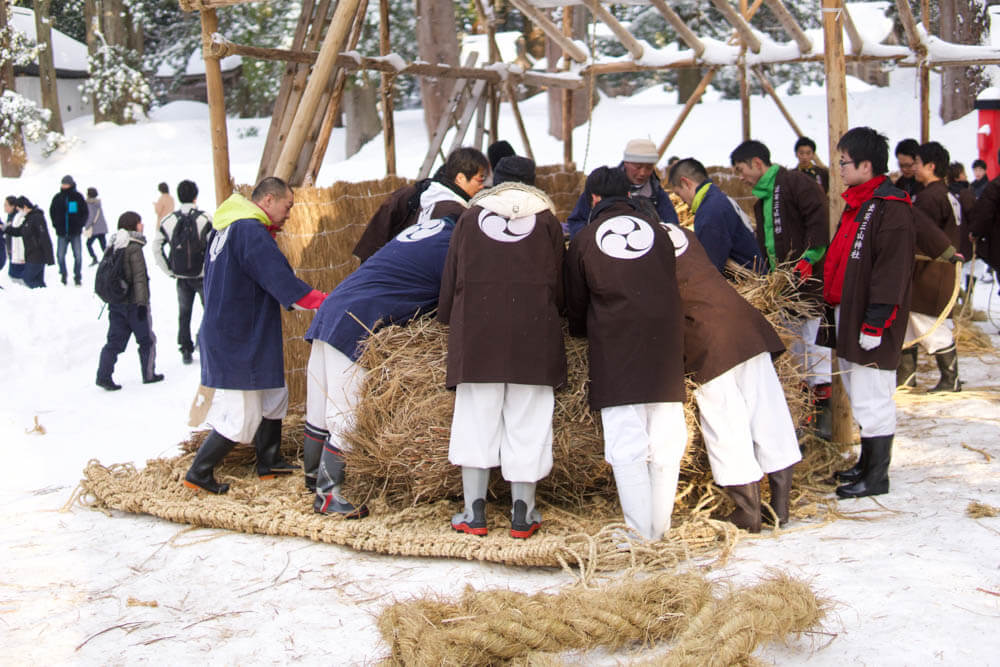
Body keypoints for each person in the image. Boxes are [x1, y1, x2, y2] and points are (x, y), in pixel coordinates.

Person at [303, 147, 489, 517]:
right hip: (357, 320)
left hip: (333, 309)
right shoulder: (455, 245)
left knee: (320, 405)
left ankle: (311, 477)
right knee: (346, 411)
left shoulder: (424, 230)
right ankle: (327, 493)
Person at [440, 155, 565, 540]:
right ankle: (522, 514)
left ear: (495, 180)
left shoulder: (470, 217)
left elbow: (452, 274)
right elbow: (560, 281)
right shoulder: (546, 220)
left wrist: (448, 318)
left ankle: (474, 512)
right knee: (528, 423)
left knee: (476, 420)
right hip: (534, 336)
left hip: (479, 337)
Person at [564, 166, 687, 542]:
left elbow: (575, 302)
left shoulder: (584, 239)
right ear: (630, 195)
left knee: (626, 440)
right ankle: (661, 528)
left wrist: (582, 332)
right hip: (665, 343)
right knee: (665, 438)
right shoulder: (660, 234)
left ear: (594, 199)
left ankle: (639, 532)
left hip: (617, 344)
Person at [183, 177, 327, 495]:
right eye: (287, 206)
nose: (289, 214)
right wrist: (320, 301)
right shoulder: (249, 230)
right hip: (238, 335)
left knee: (274, 394)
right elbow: (278, 277)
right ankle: (199, 472)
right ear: (269, 201)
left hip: (235, 326)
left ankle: (269, 460)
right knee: (242, 415)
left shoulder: (228, 228)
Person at [661, 221, 799, 532]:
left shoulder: (643, 242)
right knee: (769, 412)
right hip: (744, 324)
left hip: (705, 337)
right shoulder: (683, 232)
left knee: (725, 422)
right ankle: (780, 506)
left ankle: (747, 512)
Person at [825, 127, 916, 499]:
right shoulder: (860, 203)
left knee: (873, 392)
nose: (840, 169)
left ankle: (877, 476)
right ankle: (866, 463)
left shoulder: (891, 207)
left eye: (844, 162)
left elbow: (891, 269)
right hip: (848, 312)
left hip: (871, 318)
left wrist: (876, 321)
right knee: (856, 387)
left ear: (865, 164)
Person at [730, 139, 833, 438]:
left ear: (757, 164)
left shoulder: (796, 183)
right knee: (796, 350)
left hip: (808, 283)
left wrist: (810, 258)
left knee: (816, 347)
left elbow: (818, 220)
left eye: (741, 170)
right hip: (783, 288)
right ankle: (805, 414)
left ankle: (824, 416)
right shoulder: (763, 198)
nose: (740, 177)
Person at [899, 141, 964, 392]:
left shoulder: (929, 198)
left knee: (926, 321)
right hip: (935, 269)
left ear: (931, 166)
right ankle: (905, 378)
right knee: (907, 322)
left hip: (931, 272)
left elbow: (922, 235)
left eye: (917, 163)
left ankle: (951, 379)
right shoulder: (944, 193)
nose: (913, 168)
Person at [352, 148, 487, 263]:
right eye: (480, 180)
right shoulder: (453, 211)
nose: (482, 186)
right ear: (460, 178)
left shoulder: (423, 193)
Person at [95, 211, 164, 389]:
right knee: (147, 340)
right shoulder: (134, 247)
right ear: (133, 225)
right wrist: (142, 304)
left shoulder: (113, 244)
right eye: (139, 222)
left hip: (116, 302)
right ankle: (149, 375)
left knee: (114, 343)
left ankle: (103, 376)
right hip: (134, 304)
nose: (142, 225)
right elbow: (140, 278)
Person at [565, 138, 680, 238]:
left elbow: (672, 225)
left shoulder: (656, 192)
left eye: (649, 168)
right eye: (638, 167)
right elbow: (577, 221)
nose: (643, 173)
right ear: (626, 162)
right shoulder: (603, 185)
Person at [667, 157, 764, 273]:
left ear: (686, 183)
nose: (681, 200)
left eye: (679, 193)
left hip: (747, 283)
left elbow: (709, 268)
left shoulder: (711, 211)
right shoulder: (717, 199)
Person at [153, 179, 213, 365]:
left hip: (181, 276)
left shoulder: (169, 220)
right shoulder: (205, 218)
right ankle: (205, 343)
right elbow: (215, 246)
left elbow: (156, 247)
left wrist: (169, 270)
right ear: (196, 196)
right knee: (208, 311)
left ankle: (185, 349)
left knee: (184, 313)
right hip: (202, 275)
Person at [6, 197, 55, 289]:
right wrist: (5, 229)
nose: (20, 212)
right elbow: (18, 232)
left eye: (20, 209)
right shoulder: (28, 218)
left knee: (27, 278)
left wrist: (50, 258)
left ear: (25, 207)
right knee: (38, 280)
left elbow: (45, 237)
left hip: (37, 254)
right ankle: (44, 297)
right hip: (30, 254)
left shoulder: (37, 217)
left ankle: (44, 295)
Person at [49, 175, 88, 286]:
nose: (64, 186)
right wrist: (56, 224)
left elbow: (85, 212)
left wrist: (80, 224)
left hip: (75, 232)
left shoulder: (78, 197)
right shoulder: (57, 197)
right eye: (63, 184)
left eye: (66, 184)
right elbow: (52, 211)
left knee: (78, 255)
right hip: (61, 233)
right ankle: (63, 274)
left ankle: (77, 276)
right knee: (60, 255)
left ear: (71, 184)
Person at [84, 187, 109, 266]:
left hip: (94, 229)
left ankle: (94, 258)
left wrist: (87, 226)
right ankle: (108, 259)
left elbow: (90, 217)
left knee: (88, 244)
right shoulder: (98, 203)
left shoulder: (89, 204)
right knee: (103, 245)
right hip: (102, 228)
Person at [5, 196, 25, 283]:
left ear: (13, 206)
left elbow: (18, 236)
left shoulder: (17, 218)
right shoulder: (11, 217)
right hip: (12, 250)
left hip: (17, 252)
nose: (4, 208)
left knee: (16, 276)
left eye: (6, 205)